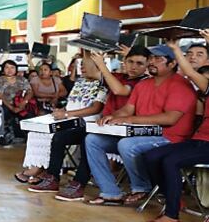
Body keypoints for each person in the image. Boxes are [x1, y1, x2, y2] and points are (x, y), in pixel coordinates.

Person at [82, 44, 197, 207]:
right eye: (151, 58)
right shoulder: (144, 84)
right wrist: (111, 117)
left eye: (158, 59)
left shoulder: (181, 85)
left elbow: (170, 118)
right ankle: (110, 192)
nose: (152, 62)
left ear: (172, 64)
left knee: (127, 144)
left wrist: (129, 120)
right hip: (140, 135)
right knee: (93, 140)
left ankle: (141, 188)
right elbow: (128, 109)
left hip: (171, 138)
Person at [140, 36, 209, 222]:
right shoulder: (207, 86)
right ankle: (172, 196)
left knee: (171, 161)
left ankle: (172, 216)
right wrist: (175, 49)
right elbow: (188, 71)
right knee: (151, 156)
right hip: (198, 140)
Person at [17, 54, 108, 195]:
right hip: (69, 120)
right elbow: (72, 103)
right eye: (80, 64)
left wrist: (67, 114)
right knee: (46, 134)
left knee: (77, 140)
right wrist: (62, 111)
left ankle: (78, 181)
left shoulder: (103, 83)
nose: (81, 67)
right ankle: (49, 175)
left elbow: (96, 108)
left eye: (85, 64)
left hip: (88, 124)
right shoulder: (80, 82)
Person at [0, 59, 32, 144]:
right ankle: (2, 136)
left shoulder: (22, 79)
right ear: (3, 69)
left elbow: (30, 92)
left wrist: (24, 102)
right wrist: (11, 107)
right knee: (2, 112)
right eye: (6, 67)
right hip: (5, 105)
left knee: (29, 113)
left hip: (21, 104)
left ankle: (27, 136)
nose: (9, 70)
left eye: (12, 67)